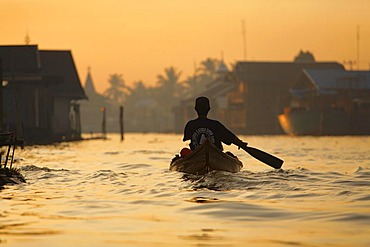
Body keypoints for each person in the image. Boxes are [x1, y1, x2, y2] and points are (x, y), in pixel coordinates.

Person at [182, 96, 248, 155]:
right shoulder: (216, 125)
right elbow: (231, 138)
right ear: (209, 109)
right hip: (216, 155)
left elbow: (186, 139)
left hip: (196, 156)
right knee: (229, 154)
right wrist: (241, 144)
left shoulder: (190, 125)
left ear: (195, 108)